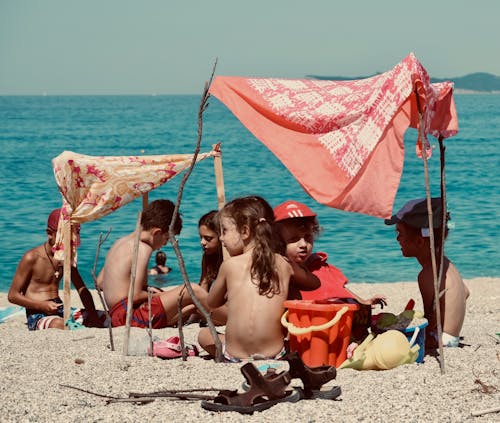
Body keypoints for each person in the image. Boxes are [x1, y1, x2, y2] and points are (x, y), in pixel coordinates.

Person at [197, 195, 320, 362]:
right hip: (275, 354)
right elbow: (315, 283)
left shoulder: (229, 266)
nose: (221, 238)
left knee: (204, 335)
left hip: (235, 355)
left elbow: (211, 303)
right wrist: (292, 268)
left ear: (245, 232)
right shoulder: (283, 263)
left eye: (224, 231)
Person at [98, 199, 209, 328]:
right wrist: (158, 294)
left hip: (116, 315)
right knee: (192, 290)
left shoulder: (120, 242)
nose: (165, 244)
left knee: (191, 306)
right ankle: (231, 315)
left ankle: (220, 318)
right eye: (166, 238)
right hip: (130, 316)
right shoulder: (143, 248)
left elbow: (100, 282)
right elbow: (135, 295)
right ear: (157, 233)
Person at [385, 197, 469, 348]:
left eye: (400, 233)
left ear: (419, 242)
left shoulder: (426, 275)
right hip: (452, 337)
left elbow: (428, 321)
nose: (398, 239)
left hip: (440, 340)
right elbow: (466, 292)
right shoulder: (446, 265)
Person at [273, 200, 387, 306]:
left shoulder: (319, 266)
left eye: (308, 237)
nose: (303, 244)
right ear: (278, 242)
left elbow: (339, 289)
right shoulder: (280, 272)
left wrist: (364, 302)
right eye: (294, 239)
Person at [8, 208, 103, 330]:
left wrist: (93, 315)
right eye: (63, 238)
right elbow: (12, 295)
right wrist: (41, 305)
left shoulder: (66, 256)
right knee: (59, 324)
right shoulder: (32, 258)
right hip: (37, 313)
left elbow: (81, 288)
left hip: (59, 308)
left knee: (105, 317)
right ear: (49, 233)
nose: (67, 243)